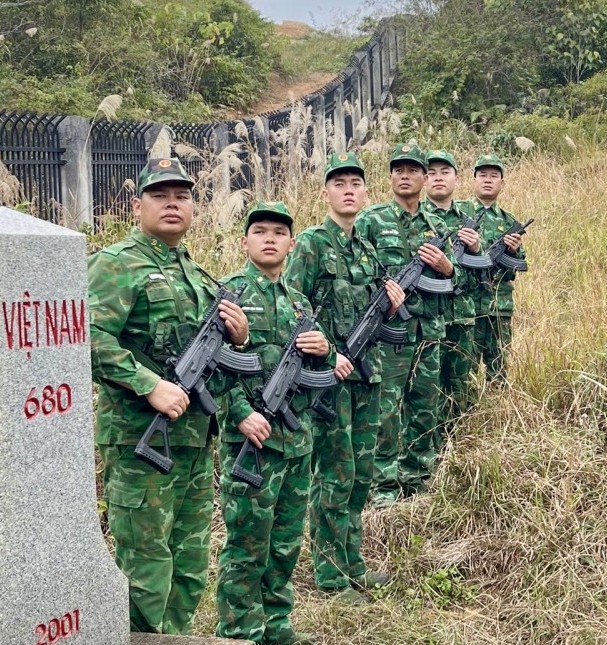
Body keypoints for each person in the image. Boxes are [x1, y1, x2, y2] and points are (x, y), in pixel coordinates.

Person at [88, 158, 249, 634]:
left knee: (190, 567)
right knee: (145, 572)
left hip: (195, 442)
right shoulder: (117, 264)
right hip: (141, 443)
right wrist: (149, 385)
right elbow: (88, 338)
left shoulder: (197, 276)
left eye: (182, 195)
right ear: (137, 205)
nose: (173, 203)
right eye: (160, 195)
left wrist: (237, 337)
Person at [285, 153, 404, 602]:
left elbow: (378, 318)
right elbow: (292, 309)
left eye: (356, 183)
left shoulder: (367, 249)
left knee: (361, 473)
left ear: (366, 194)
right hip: (328, 379)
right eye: (339, 183)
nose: (348, 189)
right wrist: (326, 354)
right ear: (326, 193)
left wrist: (392, 303)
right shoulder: (313, 244)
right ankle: (332, 574)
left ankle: (354, 562)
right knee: (335, 474)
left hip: (366, 376)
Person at [215, 201, 334, 644]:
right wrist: (240, 412)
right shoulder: (230, 294)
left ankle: (277, 626)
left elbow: (330, 367)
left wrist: (325, 350)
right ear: (245, 241)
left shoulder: (300, 302)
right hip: (253, 442)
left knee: (284, 546)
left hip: (298, 441)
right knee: (247, 547)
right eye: (260, 231)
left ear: (290, 243)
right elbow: (207, 363)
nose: (270, 238)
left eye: (279, 233)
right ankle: (240, 632)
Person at [359, 143, 457, 504]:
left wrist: (448, 268)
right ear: (390, 177)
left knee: (425, 407)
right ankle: (383, 487)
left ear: (424, 178)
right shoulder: (371, 220)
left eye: (412, 170)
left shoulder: (436, 225)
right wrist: (381, 296)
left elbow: (456, 282)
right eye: (398, 170)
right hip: (389, 337)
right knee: (385, 412)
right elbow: (358, 273)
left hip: (429, 332)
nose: (404, 175)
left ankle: (417, 479)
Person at [422, 149, 482, 442]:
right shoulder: (417, 220)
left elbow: (483, 277)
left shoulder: (469, 219)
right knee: (428, 391)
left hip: (463, 316)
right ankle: (429, 450)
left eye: (444, 172)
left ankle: (459, 446)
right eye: (431, 173)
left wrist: (476, 251)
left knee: (461, 386)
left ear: (457, 178)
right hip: (430, 320)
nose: (438, 178)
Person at [455, 153, 525, 385]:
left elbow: (516, 268)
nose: (487, 180)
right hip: (467, 307)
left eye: (494, 176)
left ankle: (498, 413)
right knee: (466, 371)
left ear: (502, 183)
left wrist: (513, 252)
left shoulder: (509, 221)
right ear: (473, 179)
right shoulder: (458, 213)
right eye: (482, 175)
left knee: (499, 371)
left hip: (498, 307)